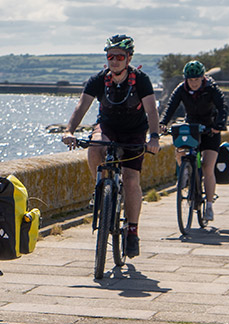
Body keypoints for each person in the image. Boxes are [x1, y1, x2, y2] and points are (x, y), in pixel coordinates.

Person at [62, 34, 160, 257]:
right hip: (107, 126)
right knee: (95, 147)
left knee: (131, 179)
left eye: (119, 56)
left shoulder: (141, 80)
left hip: (134, 131)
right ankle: (101, 187)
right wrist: (69, 131)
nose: (114, 60)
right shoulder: (98, 79)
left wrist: (153, 137)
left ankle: (132, 231)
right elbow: (82, 105)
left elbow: (151, 110)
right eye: (110, 56)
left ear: (129, 58)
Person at [159, 60, 228, 221]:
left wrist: (219, 125)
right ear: (186, 79)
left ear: (203, 77)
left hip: (210, 130)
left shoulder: (211, 88)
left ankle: (209, 206)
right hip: (191, 126)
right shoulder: (181, 89)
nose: (194, 83)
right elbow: (171, 106)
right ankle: (185, 172)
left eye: (197, 79)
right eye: (190, 80)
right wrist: (163, 123)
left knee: (207, 166)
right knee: (180, 150)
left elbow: (222, 107)